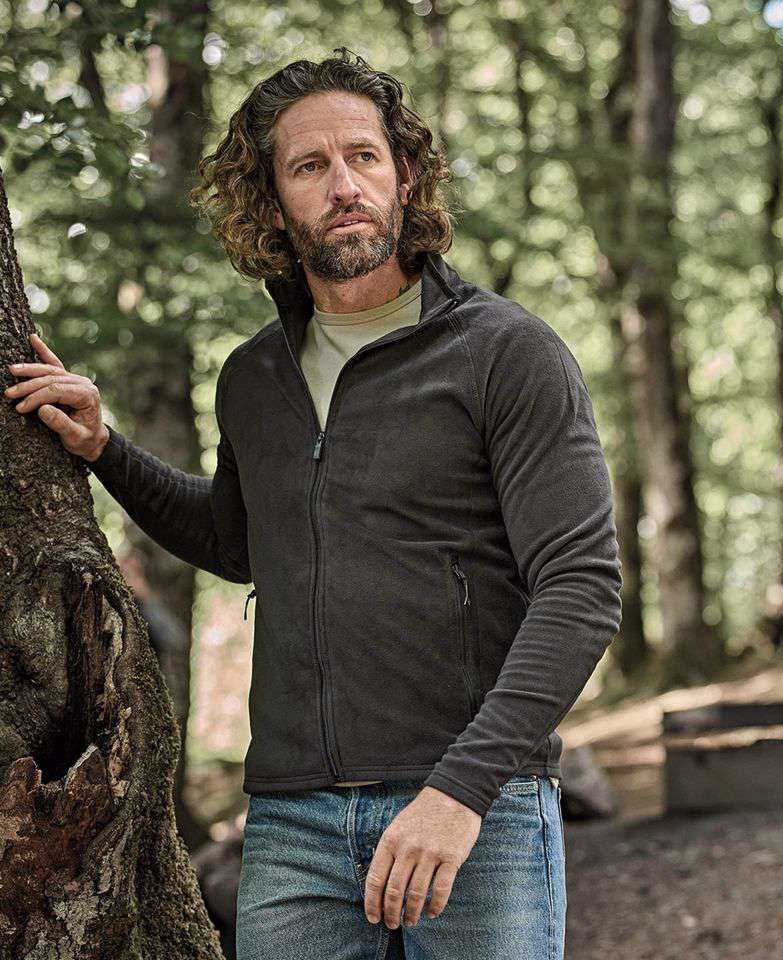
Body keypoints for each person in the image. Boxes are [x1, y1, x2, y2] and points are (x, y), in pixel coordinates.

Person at [4, 47, 623, 960]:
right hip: (293, 822)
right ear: (271, 198)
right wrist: (103, 449)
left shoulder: (505, 353)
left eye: (364, 156)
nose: (343, 186)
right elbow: (237, 540)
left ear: (404, 175)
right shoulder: (253, 377)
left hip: (474, 808)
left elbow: (581, 587)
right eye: (309, 166)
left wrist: (463, 790)